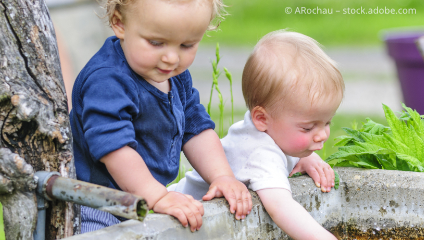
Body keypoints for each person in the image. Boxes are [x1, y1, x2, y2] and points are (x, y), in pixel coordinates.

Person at [69, 0, 252, 233]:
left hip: (145, 198)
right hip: (97, 203)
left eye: (187, 45)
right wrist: (157, 196)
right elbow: (114, 148)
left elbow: (195, 128)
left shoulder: (173, 75)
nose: (172, 58)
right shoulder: (107, 80)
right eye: (156, 43)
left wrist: (222, 176)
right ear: (119, 23)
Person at [168, 30, 344, 239]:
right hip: (175, 222)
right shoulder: (259, 152)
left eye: (327, 122)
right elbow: (281, 208)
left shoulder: (271, 130)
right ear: (261, 118)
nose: (322, 134)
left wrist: (305, 158)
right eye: (308, 128)